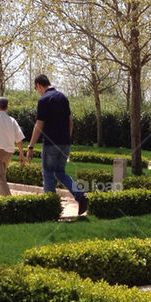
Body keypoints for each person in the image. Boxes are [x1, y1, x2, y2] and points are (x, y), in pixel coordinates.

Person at [25, 74, 88, 215]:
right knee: (60, 173)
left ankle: (50, 209)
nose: (38, 91)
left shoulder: (44, 100)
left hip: (50, 144)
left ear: (39, 85)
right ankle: (80, 195)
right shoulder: (63, 98)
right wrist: (66, 139)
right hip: (65, 143)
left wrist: (30, 146)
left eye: (36, 89)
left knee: (48, 173)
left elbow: (39, 124)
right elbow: (70, 121)